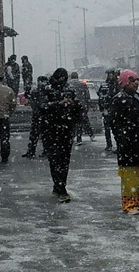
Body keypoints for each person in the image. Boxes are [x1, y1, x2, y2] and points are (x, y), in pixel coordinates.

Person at [109, 69, 139, 213]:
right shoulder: (119, 100)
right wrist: (124, 141)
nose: (136, 83)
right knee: (131, 175)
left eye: (137, 79)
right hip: (130, 144)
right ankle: (130, 204)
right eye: (132, 80)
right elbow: (115, 124)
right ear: (124, 83)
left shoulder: (138, 97)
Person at [41, 67, 85, 202]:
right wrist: (58, 104)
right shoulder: (47, 89)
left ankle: (61, 185)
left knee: (64, 160)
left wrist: (73, 105)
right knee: (55, 160)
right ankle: (59, 186)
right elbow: (41, 107)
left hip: (66, 130)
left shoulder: (69, 90)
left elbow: (79, 108)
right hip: (51, 130)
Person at [23, 75, 49, 158]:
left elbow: (29, 97)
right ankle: (45, 151)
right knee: (44, 135)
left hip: (38, 115)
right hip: (45, 116)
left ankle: (31, 151)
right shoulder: (47, 91)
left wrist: (27, 90)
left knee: (35, 134)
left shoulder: (37, 91)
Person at [97, 68, 120, 152]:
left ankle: (118, 145)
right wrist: (102, 107)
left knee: (116, 129)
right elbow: (100, 96)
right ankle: (109, 144)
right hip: (107, 110)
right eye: (110, 74)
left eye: (112, 74)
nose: (111, 76)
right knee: (107, 129)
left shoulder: (118, 84)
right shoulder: (104, 84)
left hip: (116, 111)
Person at [68, 71, 93, 144]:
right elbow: (87, 95)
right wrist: (87, 104)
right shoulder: (82, 84)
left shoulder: (69, 85)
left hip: (72, 106)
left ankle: (72, 137)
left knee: (72, 122)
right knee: (80, 122)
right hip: (82, 106)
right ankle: (79, 137)